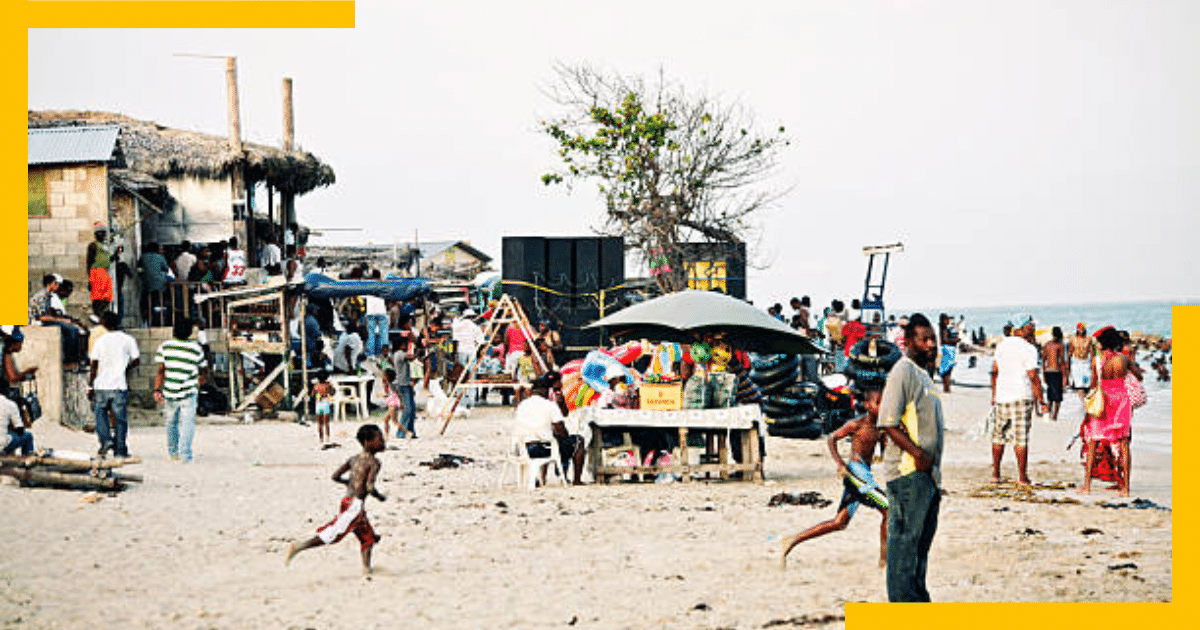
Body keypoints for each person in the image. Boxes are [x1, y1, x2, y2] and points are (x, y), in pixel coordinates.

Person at [780, 388, 888, 569]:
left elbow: (880, 444)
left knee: (839, 523)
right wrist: (840, 463)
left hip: (864, 474)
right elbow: (831, 439)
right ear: (867, 406)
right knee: (887, 509)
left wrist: (882, 451)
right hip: (855, 472)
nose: (883, 407)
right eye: (878, 403)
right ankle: (884, 562)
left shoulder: (880, 428)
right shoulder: (857, 425)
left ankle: (792, 540)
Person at [877, 313, 944, 602]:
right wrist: (918, 454)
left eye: (933, 338)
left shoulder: (924, 375)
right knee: (904, 550)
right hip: (908, 475)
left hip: (928, 477)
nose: (931, 344)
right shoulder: (903, 370)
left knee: (919, 552)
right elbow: (887, 421)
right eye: (924, 339)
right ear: (910, 342)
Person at [285, 424, 386, 575]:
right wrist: (379, 497)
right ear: (367, 442)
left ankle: (367, 569)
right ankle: (299, 546)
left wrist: (350, 483)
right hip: (355, 505)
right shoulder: (374, 463)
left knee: (368, 537)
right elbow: (370, 487)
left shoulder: (353, 459)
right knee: (334, 533)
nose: (383, 442)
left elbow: (335, 476)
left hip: (347, 501)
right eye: (379, 439)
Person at [989, 315, 1047, 486]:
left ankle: (996, 474)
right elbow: (1033, 376)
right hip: (1021, 396)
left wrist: (994, 394)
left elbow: (994, 371)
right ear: (1021, 328)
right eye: (1030, 325)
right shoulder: (1029, 348)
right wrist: (1042, 400)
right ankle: (1022, 477)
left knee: (998, 436)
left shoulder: (1001, 345)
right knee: (1021, 438)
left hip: (1002, 396)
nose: (1033, 327)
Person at [1082, 327, 1135, 496]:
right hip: (1121, 401)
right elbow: (1138, 376)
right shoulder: (1124, 358)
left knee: (1093, 443)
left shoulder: (1096, 361)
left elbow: (1093, 384)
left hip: (1103, 401)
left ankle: (1087, 486)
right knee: (1124, 443)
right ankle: (1126, 488)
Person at [153, 317, 208, 463]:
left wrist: (157, 389)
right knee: (188, 423)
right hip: (188, 392)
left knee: (171, 423)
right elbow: (203, 368)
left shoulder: (165, 347)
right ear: (190, 332)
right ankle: (185, 455)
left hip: (170, 392)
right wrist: (201, 379)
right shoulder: (196, 349)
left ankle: (173, 453)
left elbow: (161, 371)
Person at [513, 375, 585, 485]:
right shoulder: (550, 405)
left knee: (550, 439)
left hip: (524, 448)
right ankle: (577, 480)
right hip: (543, 449)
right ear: (546, 391)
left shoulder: (522, 405)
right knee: (578, 441)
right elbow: (561, 431)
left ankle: (542, 478)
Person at [88, 311, 140, 458]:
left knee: (100, 416)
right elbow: (136, 360)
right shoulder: (128, 339)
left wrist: (90, 386)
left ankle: (105, 441)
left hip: (101, 385)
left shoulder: (100, 341)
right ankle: (121, 449)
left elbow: (94, 365)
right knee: (120, 419)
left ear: (103, 323)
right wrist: (125, 367)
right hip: (119, 385)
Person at [28, 274, 84, 368]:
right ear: (50, 284)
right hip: (38, 322)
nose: (58, 286)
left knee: (72, 328)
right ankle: (69, 361)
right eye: (56, 284)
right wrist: (60, 320)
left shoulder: (48, 296)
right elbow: (41, 317)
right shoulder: (42, 296)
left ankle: (75, 359)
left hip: (45, 320)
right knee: (71, 330)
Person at [389, 334, 418, 438]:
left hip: (405, 383)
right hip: (402, 384)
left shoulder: (398, 354)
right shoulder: (399, 354)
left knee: (412, 409)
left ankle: (410, 431)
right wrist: (418, 349)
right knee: (408, 409)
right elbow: (412, 357)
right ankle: (401, 432)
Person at [85, 222, 115, 318]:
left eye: (103, 233)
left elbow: (109, 260)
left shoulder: (106, 247)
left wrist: (117, 253)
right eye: (100, 233)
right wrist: (90, 279)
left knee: (107, 296)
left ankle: (103, 315)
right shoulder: (93, 245)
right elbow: (89, 262)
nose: (102, 235)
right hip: (96, 272)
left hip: (105, 272)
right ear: (95, 234)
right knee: (98, 297)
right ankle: (97, 315)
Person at [138, 242, 171, 326]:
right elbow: (166, 269)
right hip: (160, 285)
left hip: (147, 285)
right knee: (160, 302)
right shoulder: (160, 257)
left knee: (147, 303)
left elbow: (139, 269)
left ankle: (146, 321)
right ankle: (160, 321)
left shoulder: (143, 257)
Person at [1041, 327, 1068, 421]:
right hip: (1056, 372)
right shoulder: (1060, 345)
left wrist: (1043, 374)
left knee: (1051, 396)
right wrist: (1065, 377)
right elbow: (1062, 362)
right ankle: (1054, 416)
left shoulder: (1047, 345)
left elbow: (1043, 362)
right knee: (1057, 396)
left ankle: (1050, 415)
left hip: (1049, 372)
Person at [379, 368, 411, 440]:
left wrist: (380, 395)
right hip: (393, 405)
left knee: (394, 422)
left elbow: (388, 394)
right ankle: (386, 436)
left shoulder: (390, 385)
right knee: (386, 420)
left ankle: (407, 432)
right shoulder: (390, 384)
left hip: (392, 405)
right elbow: (395, 394)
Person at [1068, 323, 1095, 400]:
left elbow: (1092, 353)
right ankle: (1083, 403)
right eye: (1079, 328)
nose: (1080, 330)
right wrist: (1068, 366)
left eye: (1082, 328)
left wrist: (1093, 365)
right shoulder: (1073, 339)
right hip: (1076, 363)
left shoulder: (1089, 339)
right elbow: (1070, 353)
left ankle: (1087, 402)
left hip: (1086, 363)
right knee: (1079, 385)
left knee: (1087, 384)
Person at [937, 313, 959, 393]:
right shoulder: (944, 329)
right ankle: (946, 387)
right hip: (948, 349)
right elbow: (945, 340)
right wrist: (955, 340)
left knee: (948, 368)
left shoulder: (945, 328)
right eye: (946, 320)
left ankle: (947, 387)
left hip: (949, 349)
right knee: (947, 368)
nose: (948, 321)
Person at [363, 287, 388, 358]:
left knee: (371, 333)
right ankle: (384, 350)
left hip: (371, 312)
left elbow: (361, 296)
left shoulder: (368, 287)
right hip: (382, 312)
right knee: (383, 332)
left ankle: (370, 354)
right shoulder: (382, 287)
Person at [311, 371, 335, 447]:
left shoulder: (316, 386)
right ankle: (327, 437)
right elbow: (332, 393)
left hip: (318, 403)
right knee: (326, 423)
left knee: (319, 423)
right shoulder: (328, 385)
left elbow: (312, 395)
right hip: (325, 403)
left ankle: (321, 438)